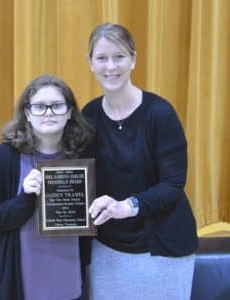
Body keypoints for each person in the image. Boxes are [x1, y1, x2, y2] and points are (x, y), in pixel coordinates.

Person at [82, 23, 198, 300]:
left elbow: (173, 185)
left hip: (163, 249)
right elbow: (77, 177)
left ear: (133, 59)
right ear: (91, 64)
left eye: (119, 56)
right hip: (107, 249)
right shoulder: (88, 115)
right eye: (102, 58)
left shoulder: (160, 113)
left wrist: (129, 206)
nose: (111, 66)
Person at [0, 74, 93, 300]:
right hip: (21, 280)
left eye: (57, 106)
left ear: (69, 112)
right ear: (27, 114)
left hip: (69, 276)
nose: (49, 113)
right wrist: (24, 199)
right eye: (40, 107)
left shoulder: (83, 156)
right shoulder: (6, 158)